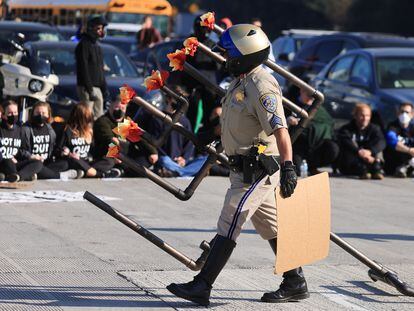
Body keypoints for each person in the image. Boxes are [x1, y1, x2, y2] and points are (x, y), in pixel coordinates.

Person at [167, 24, 305, 306]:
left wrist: (288, 165)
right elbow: (239, 125)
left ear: (246, 53)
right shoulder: (241, 82)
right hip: (241, 167)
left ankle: (202, 285)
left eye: (229, 53)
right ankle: (295, 281)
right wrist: (214, 136)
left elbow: (280, 130)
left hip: (259, 168)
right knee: (270, 226)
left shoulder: (261, 85)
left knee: (231, 219)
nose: (225, 58)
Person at [148, 85, 206, 177]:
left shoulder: (185, 121)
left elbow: (189, 143)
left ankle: (177, 172)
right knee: (164, 160)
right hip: (165, 160)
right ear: (169, 99)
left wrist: (183, 158)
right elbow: (154, 143)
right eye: (177, 99)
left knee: (205, 160)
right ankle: (184, 172)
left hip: (179, 162)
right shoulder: (158, 118)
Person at [93, 97, 158, 176]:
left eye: (123, 108)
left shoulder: (126, 123)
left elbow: (140, 139)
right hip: (110, 154)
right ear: (111, 106)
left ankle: (121, 171)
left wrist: (152, 152)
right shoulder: (103, 121)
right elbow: (108, 139)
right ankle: (120, 171)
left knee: (145, 159)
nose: (120, 110)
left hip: (127, 156)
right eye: (117, 107)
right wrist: (117, 154)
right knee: (109, 161)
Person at [58, 102, 120, 178]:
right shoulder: (67, 130)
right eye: (87, 118)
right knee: (74, 160)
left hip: (87, 162)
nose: (89, 120)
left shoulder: (89, 130)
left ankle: (84, 173)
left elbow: (94, 150)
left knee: (109, 160)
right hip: (73, 160)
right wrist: (68, 153)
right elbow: (59, 149)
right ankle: (101, 174)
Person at [182, 15, 221, 132]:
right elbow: (181, 64)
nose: (201, 30)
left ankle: (204, 142)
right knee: (191, 115)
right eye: (198, 27)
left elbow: (219, 65)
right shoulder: (189, 42)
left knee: (208, 116)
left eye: (203, 27)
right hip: (193, 85)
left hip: (209, 86)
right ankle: (189, 139)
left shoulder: (212, 44)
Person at [288, 89, 339, 175]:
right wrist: (288, 120)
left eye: (312, 96)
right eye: (308, 95)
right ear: (301, 91)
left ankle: (313, 167)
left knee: (332, 148)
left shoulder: (318, 108)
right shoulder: (291, 105)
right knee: (297, 171)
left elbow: (329, 124)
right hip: (298, 145)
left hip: (316, 145)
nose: (310, 98)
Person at [26, 101, 79, 180]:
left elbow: (53, 149)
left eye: (43, 113)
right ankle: (58, 175)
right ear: (32, 113)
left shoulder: (50, 129)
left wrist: (63, 152)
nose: (40, 115)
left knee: (64, 164)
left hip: (47, 163)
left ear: (48, 115)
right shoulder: (26, 129)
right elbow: (22, 150)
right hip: (32, 162)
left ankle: (38, 174)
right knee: (37, 165)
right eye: (37, 112)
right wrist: (31, 156)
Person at [337, 103, 386, 179]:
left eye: (367, 116)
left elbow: (382, 142)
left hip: (370, 159)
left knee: (378, 147)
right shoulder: (346, 129)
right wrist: (359, 152)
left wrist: (370, 151)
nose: (365, 118)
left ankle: (376, 169)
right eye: (362, 115)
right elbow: (345, 141)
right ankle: (364, 171)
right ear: (355, 115)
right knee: (351, 145)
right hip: (351, 163)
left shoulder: (375, 129)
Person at [0, 100, 42, 182]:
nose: (13, 115)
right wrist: (8, 157)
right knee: (7, 161)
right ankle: (25, 176)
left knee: (38, 163)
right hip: (3, 162)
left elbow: (21, 150)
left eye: (15, 112)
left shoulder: (19, 130)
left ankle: (17, 176)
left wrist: (30, 156)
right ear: (3, 115)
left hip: (15, 164)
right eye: (10, 113)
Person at [75, 14, 108, 119]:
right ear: (90, 28)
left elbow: (100, 70)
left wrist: (104, 88)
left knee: (99, 119)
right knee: (87, 118)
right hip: (87, 88)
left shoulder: (97, 46)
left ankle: (96, 136)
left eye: (102, 28)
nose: (101, 31)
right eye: (98, 28)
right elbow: (83, 68)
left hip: (97, 88)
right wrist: (89, 89)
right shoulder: (83, 45)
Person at [384, 102, 414, 177]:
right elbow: (391, 140)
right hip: (394, 161)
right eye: (402, 112)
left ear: (412, 114)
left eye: (407, 112)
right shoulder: (392, 126)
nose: (404, 114)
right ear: (398, 113)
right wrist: (409, 150)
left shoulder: (412, 128)